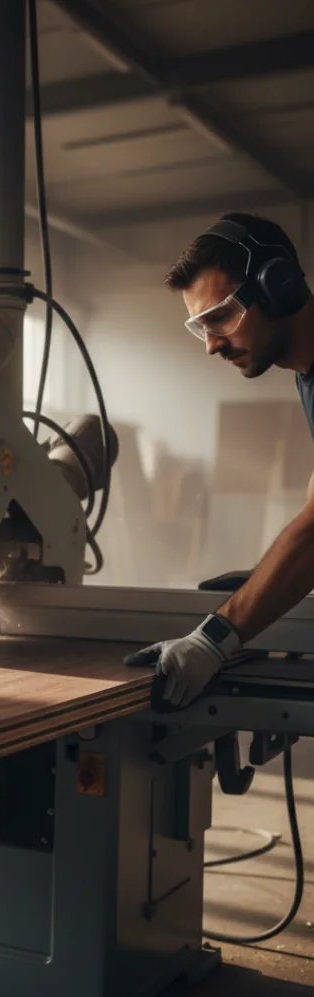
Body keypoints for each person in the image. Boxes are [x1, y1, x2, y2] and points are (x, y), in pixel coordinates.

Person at [125, 212, 314, 707]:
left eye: (221, 317)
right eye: (201, 327)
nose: (211, 345)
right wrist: (266, 582)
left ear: (280, 287)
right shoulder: (307, 373)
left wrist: (215, 637)